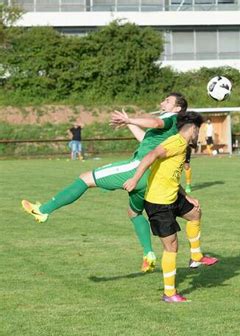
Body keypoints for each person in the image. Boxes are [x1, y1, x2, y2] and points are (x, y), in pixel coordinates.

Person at [21, 93, 188, 273]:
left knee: (86, 178)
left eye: (168, 101)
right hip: (149, 178)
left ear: (177, 108)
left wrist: (129, 118)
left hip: (135, 169)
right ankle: (148, 254)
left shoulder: (170, 118)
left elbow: (155, 123)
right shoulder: (169, 129)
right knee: (134, 212)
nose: (163, 101)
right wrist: (129, 123)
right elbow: (145, 139)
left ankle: (43, 211)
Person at [123, 111, 218, 303]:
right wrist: (134, 179)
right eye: (197, 130)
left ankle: (196, 256)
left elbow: (171, 174)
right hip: (159, 202)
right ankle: (169, 293)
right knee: (171, 246)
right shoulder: (175, 142)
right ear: (192, 128)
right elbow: (151, 155)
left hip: (173, 196)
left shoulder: (183, 146)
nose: (197, 135)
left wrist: (187, 196)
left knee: (195, 213)